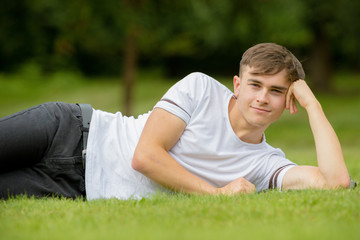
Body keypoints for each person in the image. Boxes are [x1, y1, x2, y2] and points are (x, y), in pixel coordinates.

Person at [0, 43, 351, 200]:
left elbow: (335, 183)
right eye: (255, 85)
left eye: (276, 91)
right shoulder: (200, 88)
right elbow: (146, 156)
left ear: (288, 101)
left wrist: (313, 105)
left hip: (75, 189)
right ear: (238, 85)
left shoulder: (265, 164)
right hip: (70, 131)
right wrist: (217, 193)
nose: (262, 97)